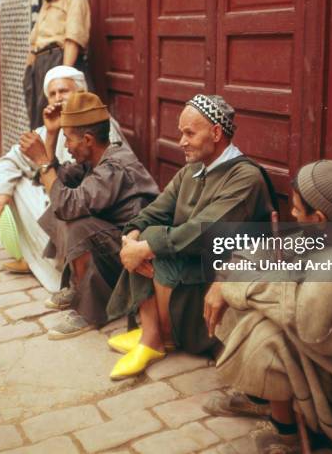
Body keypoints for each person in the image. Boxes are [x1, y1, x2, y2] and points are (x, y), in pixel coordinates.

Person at [204, 160, 332, 452]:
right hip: (317, 343)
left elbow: (305, 323)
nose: (293, 213)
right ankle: (262, 399)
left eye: (298, 210)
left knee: (262, 332)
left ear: (320, 218)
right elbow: (265, 254)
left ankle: (287, 435)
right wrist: (226, 277)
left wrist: (235, 286)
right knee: (242, 285)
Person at [105, 94, 277, 380]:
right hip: (194, 264)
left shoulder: (245, 178)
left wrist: (145, 246)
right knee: (147, 236)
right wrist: (132, 237)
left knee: (154, 244)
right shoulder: (192, 170)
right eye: (181, 132)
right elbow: (156, 210)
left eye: (189, 133)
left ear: (216, 133)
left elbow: (204, 232)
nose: (181, 141)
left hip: (219, 276)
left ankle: (156, 340)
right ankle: (153, 333)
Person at [19, 91, 159, 339]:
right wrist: (50, 136)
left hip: (136, 257)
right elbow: (56, 182)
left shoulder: (114, 167)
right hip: (115, 244)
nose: (67, 147)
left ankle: (89, 308)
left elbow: (67, 203)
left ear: (87, 139)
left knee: (75, 221)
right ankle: (79, 287)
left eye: (67, 140)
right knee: (61, 205)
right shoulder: (95, 160)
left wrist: (42, 159)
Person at [0, 66, 125, 289]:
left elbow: (92, 190)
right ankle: (31, 256)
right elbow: (9, 160)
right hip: (63, 204)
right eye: (52, 94)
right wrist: (2, 191)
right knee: (13, 184)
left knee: (31, 190)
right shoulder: (46, 129)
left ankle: (50, 266)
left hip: (86, 213)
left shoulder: (102, 127)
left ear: (80, 93)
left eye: (64, 91)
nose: (58, 98)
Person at [24, 0, 91, 129]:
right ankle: (42, 156)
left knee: (62, 119)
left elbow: (72, 40)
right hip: (39, 67)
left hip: (58, 63)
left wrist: (63, 75)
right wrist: (30, 70)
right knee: (40, 120)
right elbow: (36, 40)